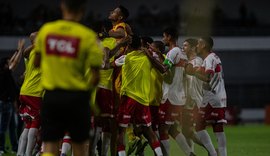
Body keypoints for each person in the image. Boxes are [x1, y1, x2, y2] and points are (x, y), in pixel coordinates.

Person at [33, 0, 104, 155]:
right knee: (79, 148)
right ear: (83, 11)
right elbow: (96, 77)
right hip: (77, 98)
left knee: (50, 146)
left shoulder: (46, 31)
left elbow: (37, 63)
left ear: (62, 7)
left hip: (52, 96)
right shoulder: (88, 37)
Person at [117, 35, 163, 156]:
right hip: (143, 101)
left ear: (128, 46)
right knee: (149, 132)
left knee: (120, 132)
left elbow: (108, 64)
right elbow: (162, 68)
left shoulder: (125, 58)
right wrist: (149, 54)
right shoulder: (149, 58)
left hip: (128, 99)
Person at [157, 27, 194, 156]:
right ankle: (190, 153)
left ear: (170, 37)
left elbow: (165, 69)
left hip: (170, 96)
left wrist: (154, 59)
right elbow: (185, 75)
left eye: (164, 36)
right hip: (179, 96)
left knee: (162, 129)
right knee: (172, 129)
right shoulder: (183, 53)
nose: (163, 39)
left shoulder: (173, 52)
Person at [190, 37, 227, 156]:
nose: (197, 46)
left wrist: (194, 73)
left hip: (212, 98)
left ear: (204, 45)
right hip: (216, 97)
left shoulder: (210, 59)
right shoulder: (213, 57)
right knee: (218, 128)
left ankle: (213, 153)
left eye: (199, 43)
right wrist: (194, 69)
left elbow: (207, 78)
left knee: (199, 126)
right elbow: (202, 70)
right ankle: (218, 154)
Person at [17, 32, 43, 156]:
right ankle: (28, 154)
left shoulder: (32, 52)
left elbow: (24, 53)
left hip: (24, 91)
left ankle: (20, 153)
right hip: (35, 93)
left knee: (28, 124)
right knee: (36, 123)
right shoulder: (40, 52)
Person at [0, 39, 25, 155]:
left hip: (6, 103)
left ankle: (14, 147)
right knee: (3, 128)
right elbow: (15, 62)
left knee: (11, 127)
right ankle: (1, 148)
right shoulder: (4, 73)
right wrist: (20, 50)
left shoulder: (4, 73)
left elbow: (13, 62)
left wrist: (18, 50)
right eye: (7, 62)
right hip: (6, 103)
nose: (10, 62)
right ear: (5, 65)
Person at [181, 38, 205, 152]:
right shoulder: (185, 61)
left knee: (188, 131)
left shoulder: (198, 61)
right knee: (186, 131)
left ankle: (211, 150)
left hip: (193, 100)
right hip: (186, 100)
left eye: (185, 45)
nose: (183, 48)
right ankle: (192, 153)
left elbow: (192, 75)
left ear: (192, 47)